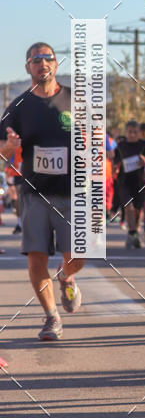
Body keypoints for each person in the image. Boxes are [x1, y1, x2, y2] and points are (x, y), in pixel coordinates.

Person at [0, 42, 84, 341]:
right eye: (36, 60)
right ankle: (51, 317)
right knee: (36, 259)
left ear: (56, 65)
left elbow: (98, 143)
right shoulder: (18, 107)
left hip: (73, 191)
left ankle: (65, 276)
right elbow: (2, 150)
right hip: (34, 192)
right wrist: (7, 149)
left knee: (77, 254)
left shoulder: (76, 101)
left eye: (47, 58)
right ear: (28, 68)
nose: (42, 64)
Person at [112, 120, 145, 249]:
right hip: (125, 182)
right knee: (129, 207)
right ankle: (133, 233)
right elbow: (116, 160)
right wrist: (115, 167)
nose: (132, 135)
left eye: (134, 132)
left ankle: (133, 232)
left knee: (138, 211)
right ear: (126, 132)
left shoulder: (144, 145)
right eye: (129, 132)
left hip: (141, 183)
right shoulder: (121, 146)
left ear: (138, 132)